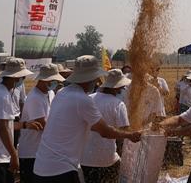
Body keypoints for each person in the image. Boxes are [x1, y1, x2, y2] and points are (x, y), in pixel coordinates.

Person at [33, 55, 141, 183]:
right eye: (95, 78)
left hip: (41, 166)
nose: (96, 81)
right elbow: (105, 131)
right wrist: (130, 135)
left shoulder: (62, 93)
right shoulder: (83, 100)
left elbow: (90, 127)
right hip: (61, 170)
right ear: (90, 78)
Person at [80, 69, 131, 183]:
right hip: (106, 159)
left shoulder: (88, 99)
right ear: (118, 87)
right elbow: (124, 132)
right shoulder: (118, 104)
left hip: (85, 158)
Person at [17, 63, 65, 182]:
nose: (56, 83)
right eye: (53, 80)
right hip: (31, 153)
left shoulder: (50, 93)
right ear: (44, 80)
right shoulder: (35, 98)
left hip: (42, 151)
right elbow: (42, 124)